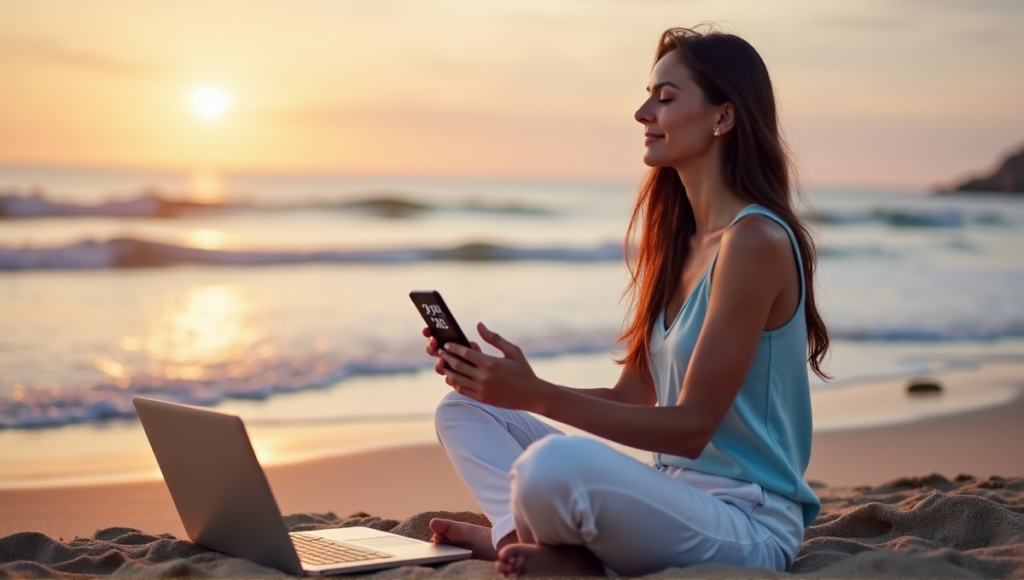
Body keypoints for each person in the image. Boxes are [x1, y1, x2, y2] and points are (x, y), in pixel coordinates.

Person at [422, 25, 830, 577]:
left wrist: (537, 395)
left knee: (556, 465)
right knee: (465, 409)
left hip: (748, 524)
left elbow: (689, 428)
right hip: (672, 499)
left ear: (723, 117)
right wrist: (506, 388)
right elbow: (633, 396)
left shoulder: (754, 241)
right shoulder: (678, 243)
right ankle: (522, 538)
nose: (642, 113)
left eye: (664, 98)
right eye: (647, 96)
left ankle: (555, 554)